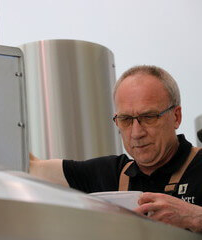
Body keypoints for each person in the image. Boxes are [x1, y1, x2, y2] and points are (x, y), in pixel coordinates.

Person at [29, 65, 202, 232]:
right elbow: (31, 167)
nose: (136, 133)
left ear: (176, 117)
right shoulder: (109, 174)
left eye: (149, 117)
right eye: (126, 119)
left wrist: (194, 217)